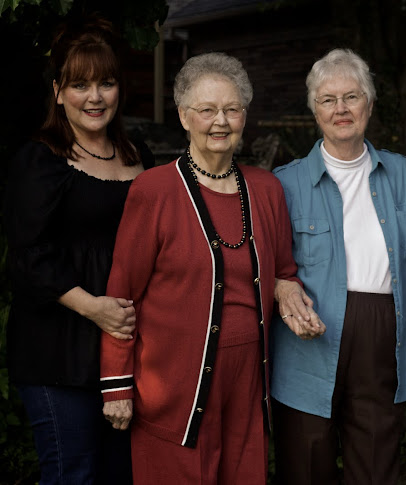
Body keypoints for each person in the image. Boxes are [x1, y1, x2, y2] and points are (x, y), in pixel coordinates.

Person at [99, 52, 305, 484]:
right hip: (173, 387)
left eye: (232, 109)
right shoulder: (153, 191)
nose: (220, 121)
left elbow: (284, 269)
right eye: (207, 110)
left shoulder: (266, 189)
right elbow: (122, 295)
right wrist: (117, 385)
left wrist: (287, 289)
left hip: (249, 385)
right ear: (183, 116)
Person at [4, 16, 152, 485]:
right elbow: (27, 259)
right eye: (79, 84)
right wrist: (95, 309)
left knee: (121, 475)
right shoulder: (39, 159)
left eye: (106, 83)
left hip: (126, 350)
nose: (94, 97)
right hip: (58, 351)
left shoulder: (138, 155)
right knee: (74, 474)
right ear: (56, 91)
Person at [270, 48, 406, 485]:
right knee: (306, 458)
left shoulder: (405, 174)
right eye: (328, 99)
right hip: (308, 334)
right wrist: (283, 287)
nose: (341, 109)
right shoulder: (284, 183)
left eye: (351, 97)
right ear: (314, 110)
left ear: (369, 106)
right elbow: (267, 264)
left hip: (381, 332)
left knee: (376, 459)